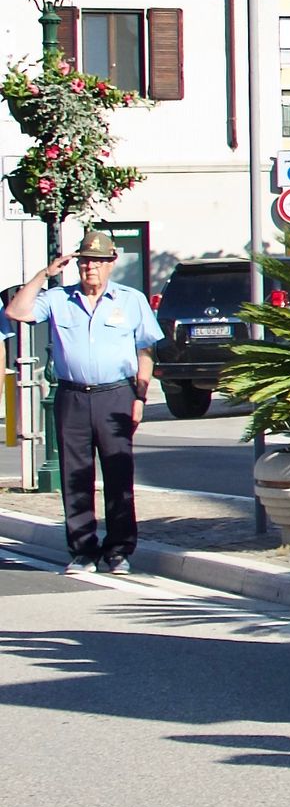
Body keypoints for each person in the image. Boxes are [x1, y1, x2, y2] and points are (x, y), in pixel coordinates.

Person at [5, 230, 161, 575]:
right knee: (76, 476)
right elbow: (17, 312)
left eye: (99, 262)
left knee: (119, 473)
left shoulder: (130, 299)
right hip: (73, 395)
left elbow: (145, 350)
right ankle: (83, 551)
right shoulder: (58, 298)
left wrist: (140, 395)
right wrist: (44, 274)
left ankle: (119, 551)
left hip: (116, 394)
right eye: (86, 261)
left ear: (111, 264)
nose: (91, 268)